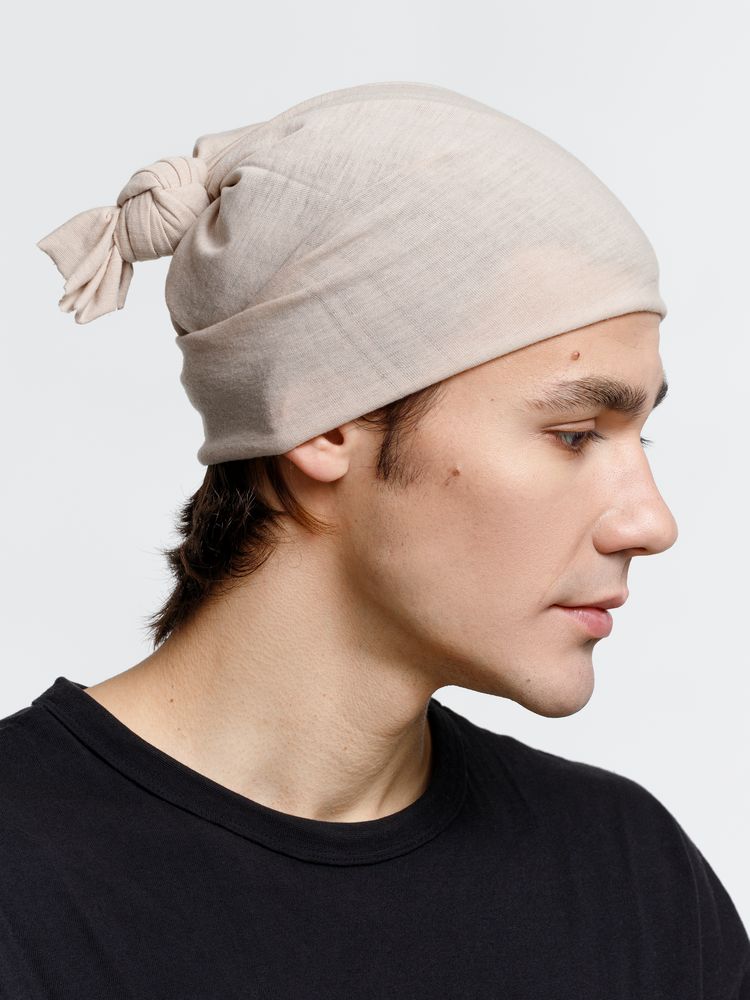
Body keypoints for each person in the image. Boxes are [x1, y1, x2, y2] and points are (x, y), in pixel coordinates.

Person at [4, 80, 747, 997]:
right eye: (574, 435)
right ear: (325, 420)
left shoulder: (632, 879)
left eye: (642, 438)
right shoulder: (22, 883)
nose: (652, 523)